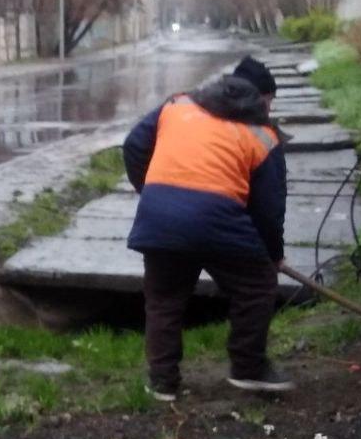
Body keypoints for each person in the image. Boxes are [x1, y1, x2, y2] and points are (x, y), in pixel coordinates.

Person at [122, 56, 293, 401]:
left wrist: (154, 192)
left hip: (160, 218)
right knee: (257, 287)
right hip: (218, 217)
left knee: (164, 300)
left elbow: (134, 145)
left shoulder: (178, 104)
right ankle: (248, 368)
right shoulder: (262, 135)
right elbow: (269, 209)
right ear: (260, 101)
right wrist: (271, 254)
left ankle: (162, 382)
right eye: (269, 103)